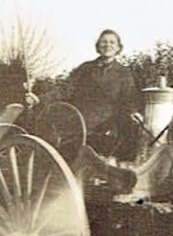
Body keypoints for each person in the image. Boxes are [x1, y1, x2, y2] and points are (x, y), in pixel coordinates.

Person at [27, 29, 143, 161]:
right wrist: (39, 99)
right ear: (98, 46)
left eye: (112, 42)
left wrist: (134, 112)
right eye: (103, 42)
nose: (107, 45)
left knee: (131, 128)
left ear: (118, 48)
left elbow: (129, 97)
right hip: (84, 117)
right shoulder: (85, 68)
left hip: (110, 119)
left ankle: (121, 167)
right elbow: (65, 89)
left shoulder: (124, 73)